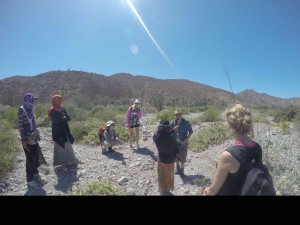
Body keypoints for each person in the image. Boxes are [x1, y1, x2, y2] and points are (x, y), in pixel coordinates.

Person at [203, 103, 262, 195]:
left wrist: (207, 191)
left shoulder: (228, 155)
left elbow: (213, 191)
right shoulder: (257, 148)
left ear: (230, 125)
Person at [18, 93, 45, 187]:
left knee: (35, 155)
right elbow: (21, 127)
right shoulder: (22, 110)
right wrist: (23, 141)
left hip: (33, 138)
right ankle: (29, 179)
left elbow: (33, 124)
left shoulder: (30, 110)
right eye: (32, 100)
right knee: (29, 158)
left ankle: (35, 172)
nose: (33, 102)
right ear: (28, 100)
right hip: (27, 139)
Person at [48, 94, 78, 173]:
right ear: (54, 101)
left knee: (67, 145)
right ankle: (61, 164)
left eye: (60, 100)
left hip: (65, 130)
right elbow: (57, 121)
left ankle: (70, 162)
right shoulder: (52, 110)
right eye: (58, 100)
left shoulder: (62, 108)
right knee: (60, 147)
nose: (60, 101)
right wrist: (64, 118)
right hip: (57, 132)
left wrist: (64, 117)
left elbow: (68, 117)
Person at [153, 119, 181, 196]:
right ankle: (167, 190)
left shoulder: (157, 137)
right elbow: (177, 147)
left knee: (161, 175)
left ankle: (162, 190)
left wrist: (172, 130)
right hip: (170, 161)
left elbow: (162, 132)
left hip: (161, 160)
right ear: (168, 127)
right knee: (169, 176)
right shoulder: (171, 138)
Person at [170, 108, 193, 176]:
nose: (178, 115)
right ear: (175, 115)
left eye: (179, 114)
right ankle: (177, 169)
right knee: (176, 157)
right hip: (175, 143)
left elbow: (191, 131)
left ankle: (182, 171)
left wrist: (186, 139)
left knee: (183, 156)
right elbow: (170, 132)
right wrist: (174, 139)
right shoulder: (172, 123)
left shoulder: (186, 123)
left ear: (181, 114)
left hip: (183, 143)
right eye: (177, 114)